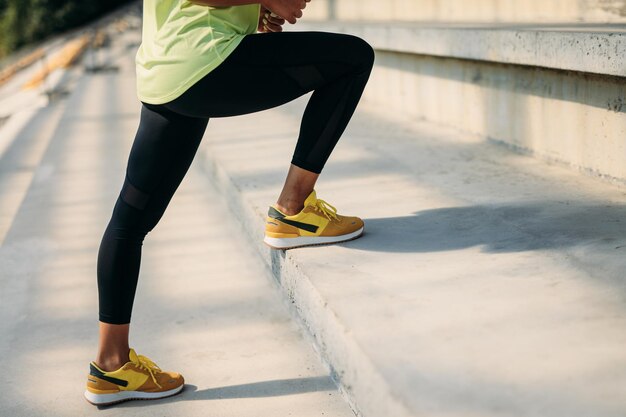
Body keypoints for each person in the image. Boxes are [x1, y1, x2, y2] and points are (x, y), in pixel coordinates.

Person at [84, 0, 375, 406]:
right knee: (353, 57)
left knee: (128, 222)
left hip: (166, 72)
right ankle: (294, 209)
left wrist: (249, 10)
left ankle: (110, 366)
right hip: (205, 63)